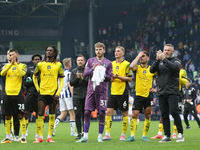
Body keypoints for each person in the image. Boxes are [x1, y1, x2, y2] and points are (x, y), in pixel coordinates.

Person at [76, 42, 113, 143]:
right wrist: (93, 69)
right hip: (91, 91)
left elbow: (111, 78)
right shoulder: (90, 61)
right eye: (96, 49)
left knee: (101, 113)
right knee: (87, 112)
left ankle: (100, 136)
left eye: (100, 49)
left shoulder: (108, 63)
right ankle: (85, 136)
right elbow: (85, 74)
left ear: (104, 50)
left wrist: (103, 73)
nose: (98, 51)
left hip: (102, 92)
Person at [150, 44, 184, 143]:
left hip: (173, 92)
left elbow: (174, 68)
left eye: (168, 50)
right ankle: (167, 136)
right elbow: (151, 70)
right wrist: (157, 60)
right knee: (164, 114)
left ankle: (180, 133)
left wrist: (164, 59)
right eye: (165, 50)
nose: (166, 52)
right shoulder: (159, 62)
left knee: (174, 112)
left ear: (173, 52)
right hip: (161, 92)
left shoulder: (176, 61)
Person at [32, 45, 64, 143]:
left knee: (52, 114)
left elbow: (62, 79)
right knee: (40, 114)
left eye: (51, 50)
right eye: (47, 50)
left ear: (54, 53)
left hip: (53, 93)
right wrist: (38, 89)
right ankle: (40, 137)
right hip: (42, 93)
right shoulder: (40, 65)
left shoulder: (58, 65)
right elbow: (34, 76)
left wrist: (58, 92)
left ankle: (49, 137)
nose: (49, 52)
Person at [103, 46, 132, 141]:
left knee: (124, 113)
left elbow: (130, 78)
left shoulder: (127, 64)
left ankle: (123, 135)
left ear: (122, 53)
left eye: (118, 51)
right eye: (115, 51)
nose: (116, 53)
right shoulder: (111, 64)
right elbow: (108, 78)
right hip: (113, 92)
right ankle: (107, 134)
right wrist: (112, 77)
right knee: (108, 112)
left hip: (123, 92)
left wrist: (119, 77)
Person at [125, 51, 155, 142]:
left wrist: (156, 89)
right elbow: (130, 66)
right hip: (138, 95)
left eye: (143, 56)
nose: (141, 58)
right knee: (134, 115)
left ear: (148, 58)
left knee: (147, 115)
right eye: (141, 56)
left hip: (149, 95)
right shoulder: (137, 68)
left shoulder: (152, 69)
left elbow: (162, 79)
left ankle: (144, 136)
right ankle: (132, 136)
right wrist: (138, 56)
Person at [151, 68, 188, 139]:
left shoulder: (182, 71)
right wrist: (156, 89)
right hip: (165, 93)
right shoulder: (165, 70)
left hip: (177, 94)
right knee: (164, 113)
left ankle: (174, 133)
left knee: (175, 113)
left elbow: (185, 82)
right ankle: (160, 133)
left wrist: (175, 77)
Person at [0, 49, 27, 143]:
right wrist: (11, 64)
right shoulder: (5, 66)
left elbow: (22, 73)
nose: (10, 56)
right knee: (7, 116)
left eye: (12, 55)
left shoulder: (23, 65)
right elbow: (2, 73)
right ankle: (8, 137)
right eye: (9, 55)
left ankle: (23, 137)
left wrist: (15, 64)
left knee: (20, 115)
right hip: (7, 94)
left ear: (17, 55)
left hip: (18, 94)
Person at [52, 58, 77, 137]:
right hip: (68, 95)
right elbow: (70, 85)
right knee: (72, 112)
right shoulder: (69, 73)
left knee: (63, 113)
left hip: (61, 95)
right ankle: (72, 132)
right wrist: (73, 95)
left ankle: (53, 127)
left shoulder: (60, 73)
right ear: (69, 64)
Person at [24, 54, 42, 140]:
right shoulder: (29, 70)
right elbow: (26, 83)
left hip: (39, 95)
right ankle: (25, 130)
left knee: (39, 115)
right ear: (33, 61)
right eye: (35, 59)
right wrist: (36, 80)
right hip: (30, 94)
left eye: (39, 59)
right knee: (26, 113)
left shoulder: (43, 71)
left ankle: (37, 134)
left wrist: (33, 80)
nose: (37, 61)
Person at [70, 55, 88, 140]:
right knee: (77, 114)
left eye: (81, 60)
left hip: (86, 96)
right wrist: (77, 78)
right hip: (77, 96)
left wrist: (82, 78)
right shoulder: (73, 71)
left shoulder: (87, 71)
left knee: (85, 114)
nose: (80, 62)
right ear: (76, 62)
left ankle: (85, 132)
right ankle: (79, 133)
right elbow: (71, 83)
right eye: (78, 60)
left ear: (84, 61)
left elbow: (89, 83)